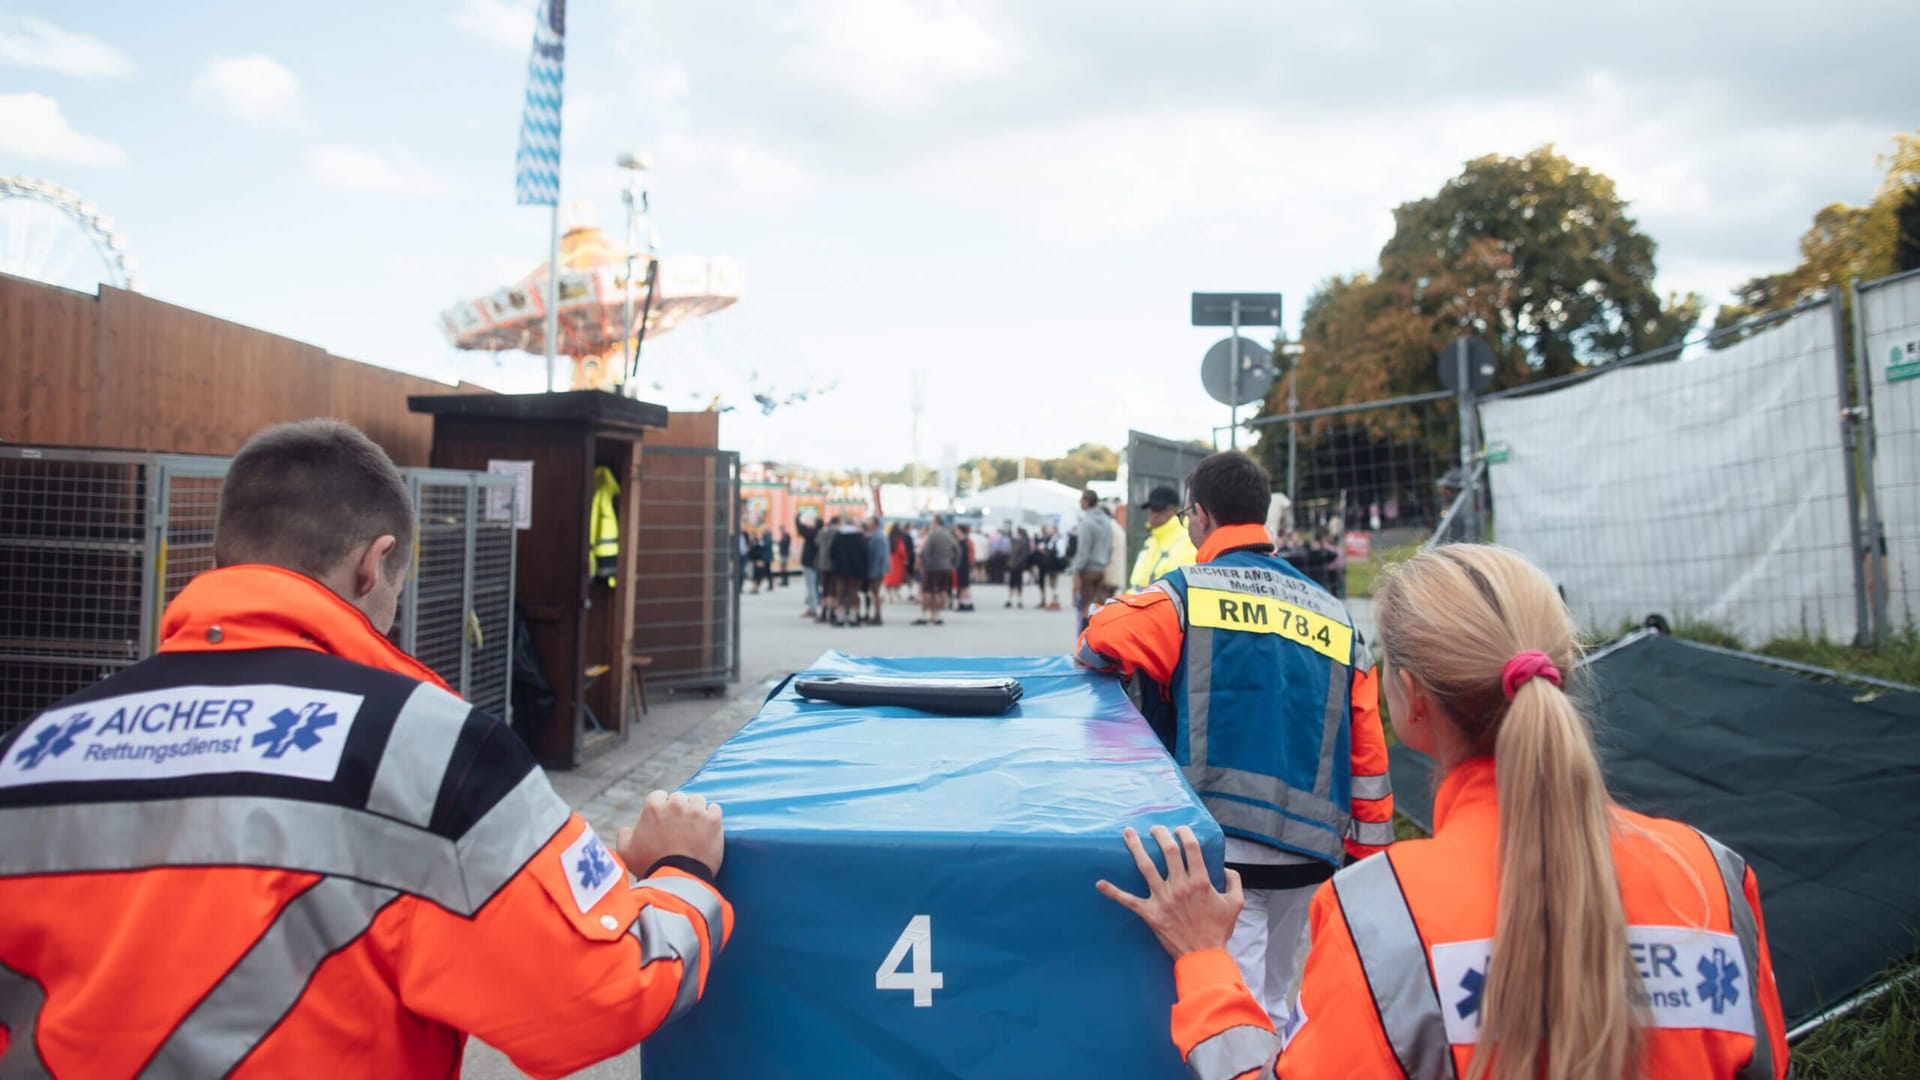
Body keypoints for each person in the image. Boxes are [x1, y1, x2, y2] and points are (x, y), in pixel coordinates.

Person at [0, 420, 733, 1078]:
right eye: (397, 587)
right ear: (374, 564)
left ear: (228, 552)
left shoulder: (33, 749)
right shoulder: (432, 749)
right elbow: (594, 997)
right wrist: (679, 874)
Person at [1097, 544, 1790, 1080]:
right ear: (1561, 669)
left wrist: (1206, 961)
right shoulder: (1713, 878)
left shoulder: (1382, 914)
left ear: (1410, 700)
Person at [1076, 451, 1391, 1023]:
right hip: (1313, 854)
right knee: (1278, 1000)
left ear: (1198, 516)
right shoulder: (1336, 615)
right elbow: (1367, 751)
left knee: (1233, 1010)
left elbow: (1098, 642)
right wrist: (1368, 861)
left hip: (1223, 847)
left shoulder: (1187, 595)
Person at [1130, 484, 1199, 591]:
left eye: (1158, 509)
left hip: (1158, 605)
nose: (1153, 514)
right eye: (1151, 509)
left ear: (1175, 510)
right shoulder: (1152, 540)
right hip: (1137, 604)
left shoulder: (1187, 540)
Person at [1068, 488, 1114, 632]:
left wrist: (1076, 571)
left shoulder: (1086, 521)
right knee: (1099, 607)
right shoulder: (1107, 520)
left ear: (1086, 502)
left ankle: (1085, 641)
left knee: (1085, 608)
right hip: (1103, 568)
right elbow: (1110, 546)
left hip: (1088, 569)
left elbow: (1084, 550)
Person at [916, 515, 961, 626]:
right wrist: (953, 564)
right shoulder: (949, 535)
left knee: (928, 592)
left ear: (936, 523)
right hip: (946, 567)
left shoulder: (933, 535)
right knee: (942, 591)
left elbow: (927, 552)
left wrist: (925, 565)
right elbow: (958, 551)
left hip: (932, 568)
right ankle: (936, 615)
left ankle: (924, 615)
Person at [828, 515, 869, 627]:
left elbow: (832, 552)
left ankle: (840, 616)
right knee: (853, 592)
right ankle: (853, 616)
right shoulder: (860, 537)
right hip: (856, 569)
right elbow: (865, 554)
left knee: (840, 592)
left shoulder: (838, 536)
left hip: (840, 569)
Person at [863, 517, 891, 626]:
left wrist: (873, 570)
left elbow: (877, 556)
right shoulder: (880, 535)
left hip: (876, 569)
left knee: (875, 593)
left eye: (870, 524)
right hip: (879, 568)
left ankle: (877, 615)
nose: (868, 526)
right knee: (875, 593)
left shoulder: (877, 537)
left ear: (875, 524)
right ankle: (876, 614)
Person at [796, 512, 823, 618]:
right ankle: (813, 606)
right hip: (816, 564)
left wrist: (797, 518)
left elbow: (801, 529)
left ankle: (813, 608)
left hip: (809, 563)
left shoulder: (813, 533)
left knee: (811, 587)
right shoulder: (819, 533)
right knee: (814, 586)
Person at [954, 523, 978, 612]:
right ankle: (964, 602)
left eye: (957, 530)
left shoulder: (963, 542)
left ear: (960, 531)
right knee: (963, 586)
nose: (955, 532)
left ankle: (965, 603)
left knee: (964, 585)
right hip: (963, 565)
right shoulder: (965, 541)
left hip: (963, 566)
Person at [1006, 527, 1032, 608]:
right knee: (1011, 583)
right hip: (1013, 565)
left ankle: (1019, 600)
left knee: (1018, 583)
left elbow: (1024, 555)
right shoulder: (1015, 541)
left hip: (1018, 566)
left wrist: (1016, 563)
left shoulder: (1024, 542)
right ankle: (1010, 600)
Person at [884, 523, 910, 601]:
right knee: (896, 579)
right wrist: (906, 558)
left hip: (888, 560)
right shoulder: (899, 540)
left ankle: (889, 595)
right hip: (897, 562)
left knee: (888, 579)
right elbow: (902, 551)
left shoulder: (887, 538)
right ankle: (896, 593)